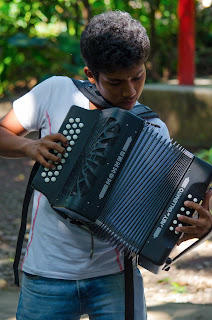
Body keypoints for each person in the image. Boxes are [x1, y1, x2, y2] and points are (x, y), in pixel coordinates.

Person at [0, 10, 211, 320]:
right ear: (90, 74)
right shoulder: (55, 92)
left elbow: (161, 219)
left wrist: (197, 228)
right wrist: (29, 146)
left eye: (137, 77)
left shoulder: (153, 129)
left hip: (115, 277)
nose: (129, 91)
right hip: (46, 273)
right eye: (115, 82)